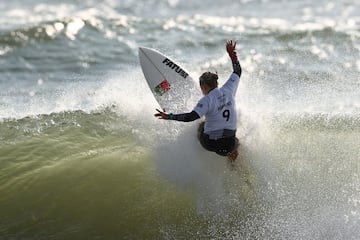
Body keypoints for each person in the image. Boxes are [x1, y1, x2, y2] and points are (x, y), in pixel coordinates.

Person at [154, 39, 242, 161]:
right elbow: (237, 71)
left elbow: (190, 117)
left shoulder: (206, 100)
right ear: (216, 83)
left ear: (204, 87)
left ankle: (196, 156)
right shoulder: (229, 89)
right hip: (229, 144)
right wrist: (233, 55)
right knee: (233, 142)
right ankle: (233, 161)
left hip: (211, 145)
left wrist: (169, 116)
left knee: (200, 125)